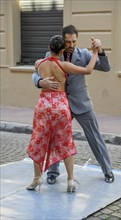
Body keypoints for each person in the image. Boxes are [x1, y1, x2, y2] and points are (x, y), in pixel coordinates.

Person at [32, 24, 115, 185]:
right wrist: (40, 82)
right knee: (55, 139)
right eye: (68, 42)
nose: (71, 45)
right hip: (59, 106)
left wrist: (100, 50)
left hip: (82, 104)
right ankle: (52, 172)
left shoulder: (84, 54)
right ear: (62, 40)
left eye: (73, 41)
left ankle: (107, 170)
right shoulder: (51, 55)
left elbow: (105, 68)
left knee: (95, 138)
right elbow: (35, 73)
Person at [26, 35, 98, 192]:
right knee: (65, 142)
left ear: (49, 47)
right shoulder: (64, 65)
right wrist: (94, 53)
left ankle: (37, 178)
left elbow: (35, 72)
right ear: (63, 50)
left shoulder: (39, 63)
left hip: (43, 105)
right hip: (60, 105)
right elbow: (88, 70)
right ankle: (71, 180)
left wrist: (40, 82)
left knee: (38, 141)